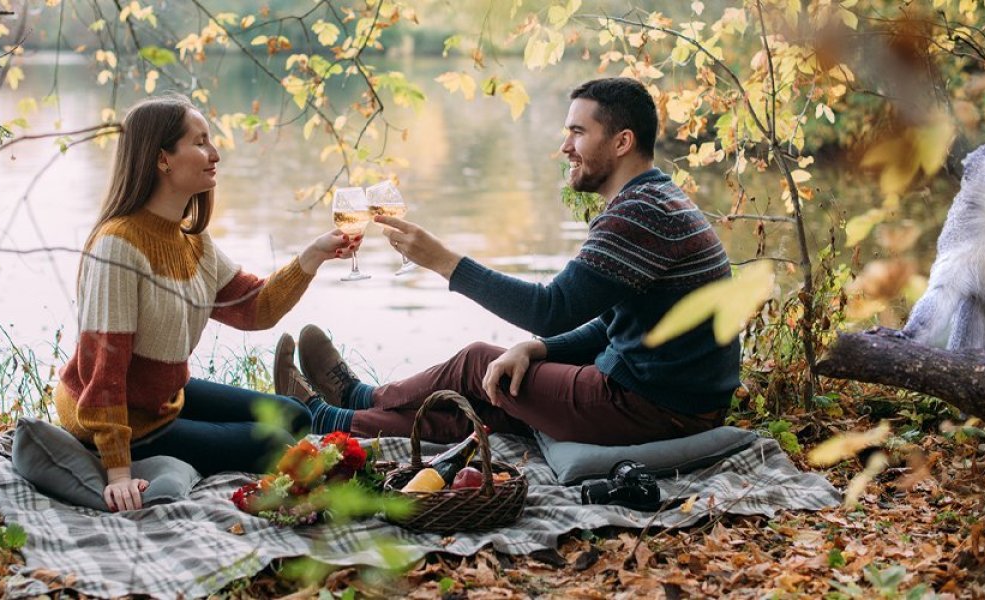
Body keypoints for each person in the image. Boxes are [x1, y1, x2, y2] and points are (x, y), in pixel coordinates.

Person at [275, 77, 740, 445]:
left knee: (479, 364)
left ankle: (356, 399)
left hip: (657, 407)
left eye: (578, 132)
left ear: (621, 142)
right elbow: (614, 322)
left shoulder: (641, 212)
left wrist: (444, 262)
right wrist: (538, 349)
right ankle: (333, 419)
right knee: (493, 399)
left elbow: (551, 308)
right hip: (673, 400)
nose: (565, 146)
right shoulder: (653, 199)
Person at [54, 95, 359, 512]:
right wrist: (119, 470)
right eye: (200, 143)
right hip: (116, 413)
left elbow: (256, 308)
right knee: (276, 444)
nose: (214, 154)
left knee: (295, 417)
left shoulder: (191, 240)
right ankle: (143, 449)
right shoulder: (117, 246)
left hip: (162, 397)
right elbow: (104, 368)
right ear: (163, 159)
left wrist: (314, 254)